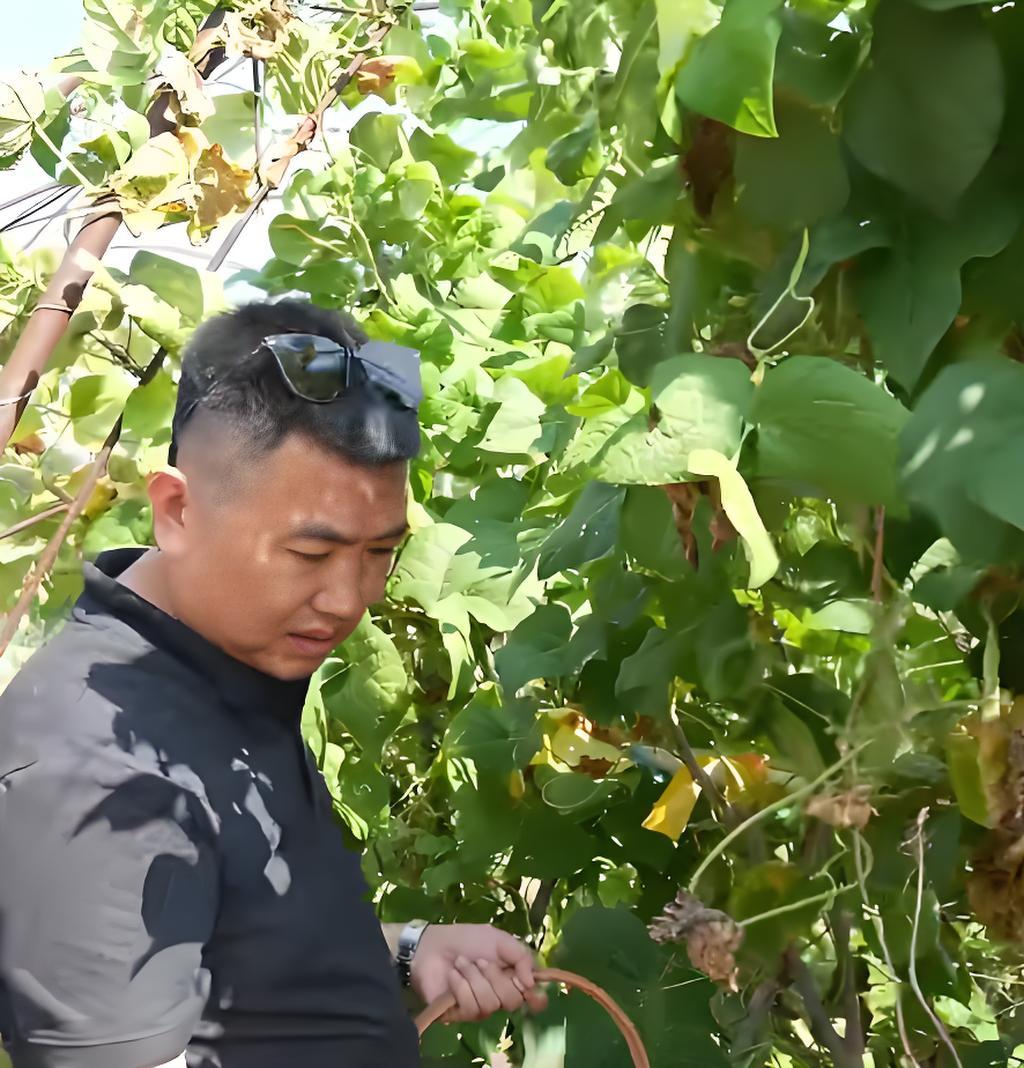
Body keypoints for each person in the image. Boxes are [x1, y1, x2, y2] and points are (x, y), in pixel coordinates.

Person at [0, 299, 546, 1068]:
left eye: (379, 552)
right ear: (178, 511)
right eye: (311, 555)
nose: (350, 599)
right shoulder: (94, 767)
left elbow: (220, 957)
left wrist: (399, 952)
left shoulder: (224, 667)